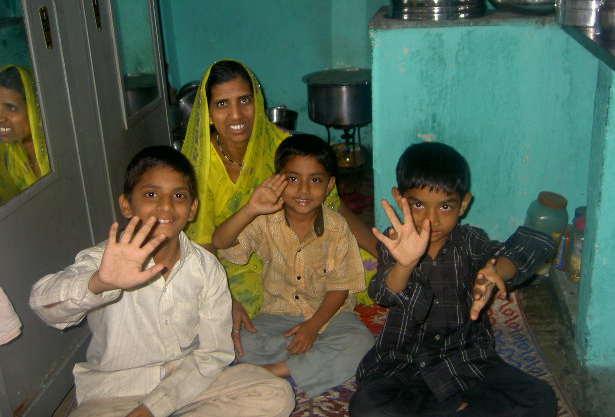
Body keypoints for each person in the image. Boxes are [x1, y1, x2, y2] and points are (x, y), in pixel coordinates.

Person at [29, 146, 295, 417]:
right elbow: (44, 305)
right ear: (126, 205)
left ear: (192, 209)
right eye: (151, 194)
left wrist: (152, 409)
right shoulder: (106, 260)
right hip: (115, 392)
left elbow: (213, 354)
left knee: (275, 393)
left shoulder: (206, 267)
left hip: (187, 384)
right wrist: (100, 282)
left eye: (178, 196)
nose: (166, 206)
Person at [349, 142, 558, 417]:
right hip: (405, 363)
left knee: (540, 397)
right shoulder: (396, 242)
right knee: (367, 405)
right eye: (418, 205)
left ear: (463, 205)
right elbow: (383, 293)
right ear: (400, 199)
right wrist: (405, 264)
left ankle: (450, 410)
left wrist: (497, 272)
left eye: (445, 206)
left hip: (467, 360)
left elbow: (525, 248)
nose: (431, 220)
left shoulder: (471, 241)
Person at [181, 59, 378, 350]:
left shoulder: (281, 145)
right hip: (231, 258)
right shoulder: (199, 165)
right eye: (222, 104)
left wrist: (385, 253)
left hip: (296, 244)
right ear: (208, 113)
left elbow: (334, 209)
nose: (236, 114)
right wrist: (225, 299)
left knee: (371, 272)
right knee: (239, 310)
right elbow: (206, 243)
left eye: (244, 100)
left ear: (257, 102)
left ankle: (312, 328)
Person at [212, 134, 375, 398]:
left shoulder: (337, 227)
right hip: (279, 317)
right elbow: (221, 241)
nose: (303, 190)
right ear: (277, 181)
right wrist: (251, 208)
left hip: (331, 316)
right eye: (292, 179)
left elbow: (341, 287)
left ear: (329, 185)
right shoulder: (264, 220)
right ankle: (309, 363)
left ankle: (274, 370)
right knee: (245, 343)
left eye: (315, 180)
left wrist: (313, 326)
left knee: (361, 343)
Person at [0, 65, 50, 204]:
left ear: (34, 108)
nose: (1, 118)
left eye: (10, 108)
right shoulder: (5, 160)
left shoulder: (59, 153)